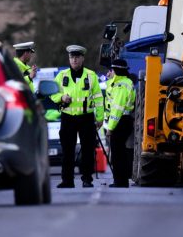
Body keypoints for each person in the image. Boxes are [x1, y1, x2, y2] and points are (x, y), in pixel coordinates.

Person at [50, 44, 104, 188]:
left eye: (77, 57)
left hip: (86, 117)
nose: (74, 60)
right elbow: (53, 93)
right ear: (69, 58)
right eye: (71, 57)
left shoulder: (91, 75)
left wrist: (99, 118)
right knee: (68, 150)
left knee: (87, 150)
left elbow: (98, 98)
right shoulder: (62, 76)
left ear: (82, 58)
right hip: (68, 117)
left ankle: (87, 179)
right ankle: (67, 180)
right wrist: (61, 98)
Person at [104, 59, 136, 188]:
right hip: (124, 121)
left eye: (110, 70)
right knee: (119, 152)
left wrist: (110, 128)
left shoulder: (121, 86)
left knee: (117, 154)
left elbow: (117, 109)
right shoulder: (123, 83)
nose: (108, 73)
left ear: (115, 71)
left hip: (120, 122)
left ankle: (120, 181)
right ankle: (121, 180)